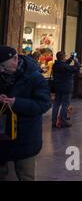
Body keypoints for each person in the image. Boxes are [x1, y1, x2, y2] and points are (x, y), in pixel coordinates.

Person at [0, 46, 51, 181]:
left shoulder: (35, 78)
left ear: (15, 59)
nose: (1, 70)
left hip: (25, 136)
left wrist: (16, 103)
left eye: (3, 67)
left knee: (25, 175)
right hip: (2, 134)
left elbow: (44, 104)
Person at [51, 51, 80, 128]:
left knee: (56, 104)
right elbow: (75, 69)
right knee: (65, 105)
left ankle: (54, 121)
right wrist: (77, 62)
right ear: (63, 57)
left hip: (58, 87)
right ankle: (63, 121)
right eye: (65, 56)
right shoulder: (64, 66)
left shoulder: (56, 65)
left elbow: (64, 64)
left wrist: (70, 59)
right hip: (66, 87)